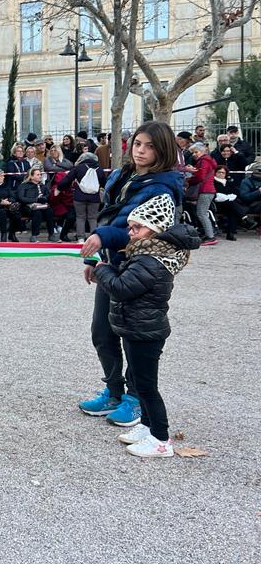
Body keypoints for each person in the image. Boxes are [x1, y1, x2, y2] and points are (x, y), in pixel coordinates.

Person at [78, 121, 183, 429]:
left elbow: (136, 231)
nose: (141, 150)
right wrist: (98, 256)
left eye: (150, 146)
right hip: (113, 264)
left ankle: (136, 399)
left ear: (162, 150)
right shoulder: (125, 175)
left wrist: (100, 237)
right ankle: (113, 391)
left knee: (134, 335)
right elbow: (111, 215)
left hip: (141, 267)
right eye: (138, 143)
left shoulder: (162, 187)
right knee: (102, 331)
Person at [91, 194, 199, 458]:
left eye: (137, 227)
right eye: (130, 226)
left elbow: (123, 288)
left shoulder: (151, 260)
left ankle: (161, 439)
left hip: (145, 332)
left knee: (147, 387)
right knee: (140, 381)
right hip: (136, 328)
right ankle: (147, 426)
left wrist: (102, 269)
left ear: (155, 229)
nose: (130, 232)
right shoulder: (144, 253)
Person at [58, 151, 109, 242]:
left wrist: (59, 188)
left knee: (80, 217)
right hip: (94, 198)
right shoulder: (99, 169)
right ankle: (94, 237)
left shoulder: (78, 168)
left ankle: (80, 238)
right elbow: (104, 183)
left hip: (79, 197)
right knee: (93, 218)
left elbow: (67, 179)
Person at [187, 142, 218, 246]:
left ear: (202, 151)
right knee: (203, 213)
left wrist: (190, 179)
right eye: (193, 152)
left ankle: (210, 236)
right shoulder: (208, 160)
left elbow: (200, 177)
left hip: (205, 190)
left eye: (196, 152)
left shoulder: (204, 161)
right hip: (208, 190)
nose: (194, 154)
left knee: (202, 213)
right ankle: (208, 234)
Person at [16, 167, 53, 242]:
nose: (40, 176)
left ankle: (51, 234)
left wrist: (44, 198)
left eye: (40, 174)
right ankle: (34, 235)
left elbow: (48, 196)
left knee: (49, 211)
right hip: (27, 207)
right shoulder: (24, 185)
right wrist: (36, 199)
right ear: (32, 176)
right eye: (38, 175)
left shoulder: (42, 186)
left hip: (41, 206)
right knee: (37, 213)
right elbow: (21, 198)